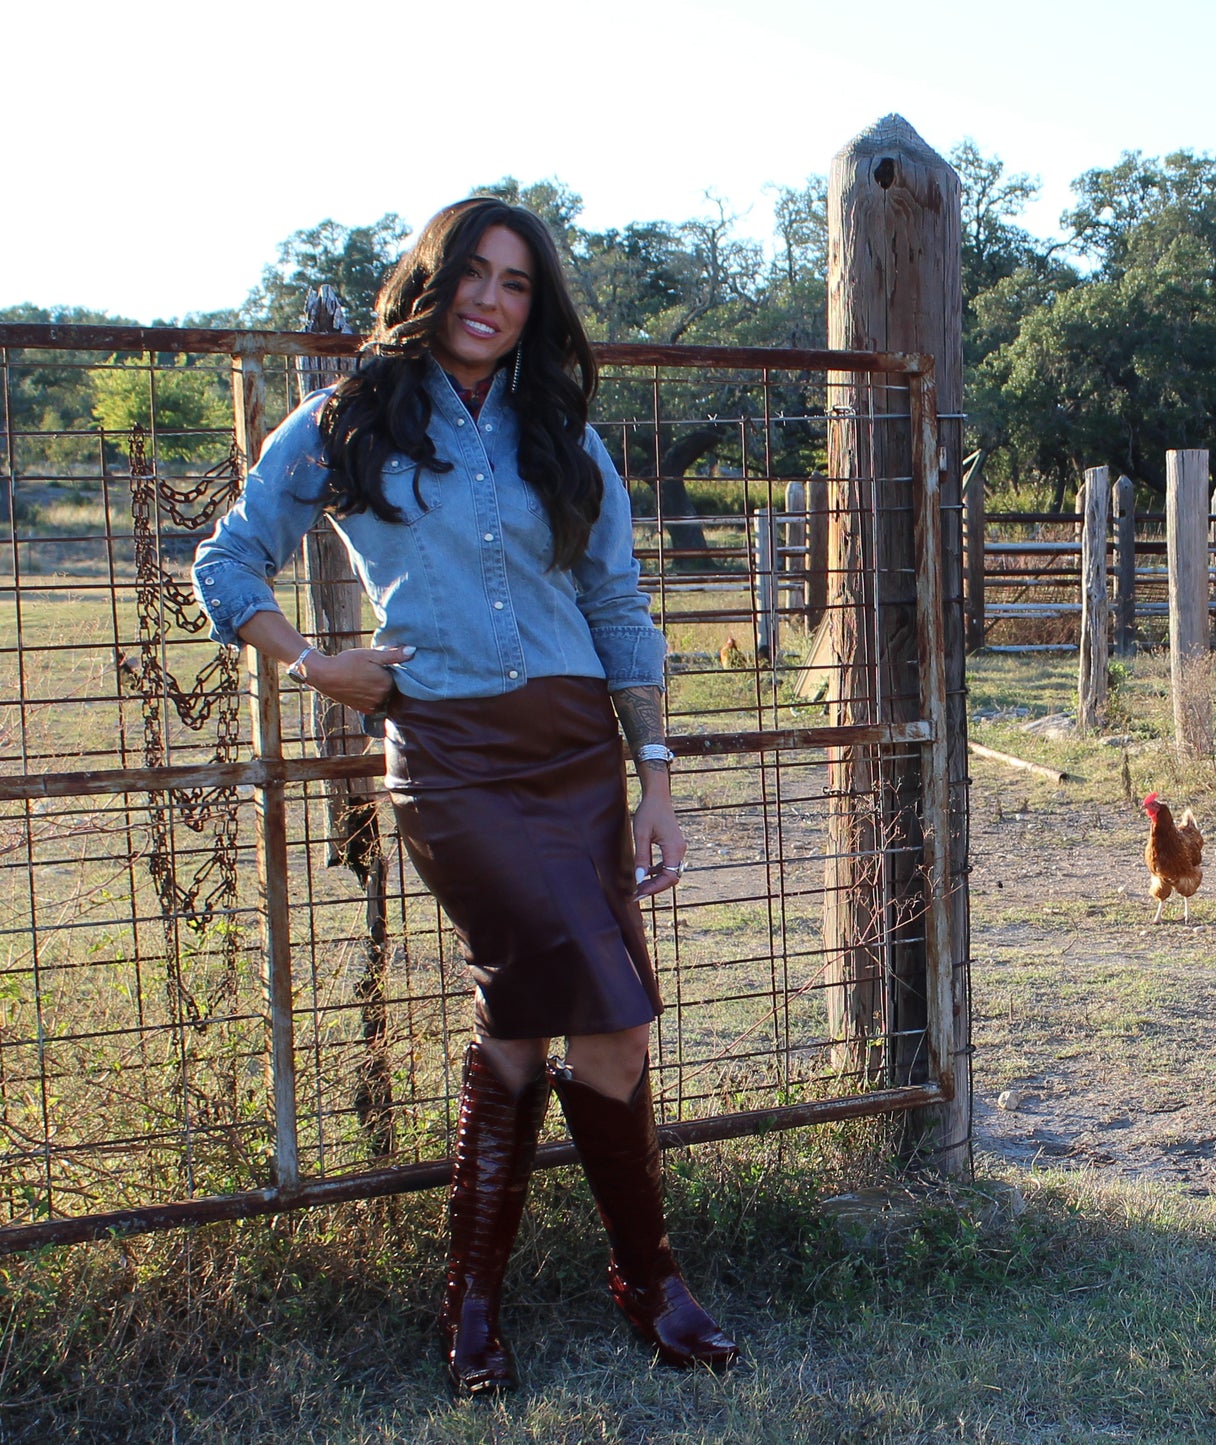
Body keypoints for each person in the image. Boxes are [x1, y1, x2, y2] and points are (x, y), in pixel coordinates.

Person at [192, 197, 738, 1396]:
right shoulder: (348, 418)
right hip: (449, 760)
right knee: (603, 1005)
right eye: (472, 275)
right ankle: (646, 1282)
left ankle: (484, 1303)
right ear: (431, 284)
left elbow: (617, 609)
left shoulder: (563, 434)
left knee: (540, 1017)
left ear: (534, 307)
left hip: (571, 751)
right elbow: (226, 558)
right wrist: (312, 659)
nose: (491, 299)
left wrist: (653, 780)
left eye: (516, 283)